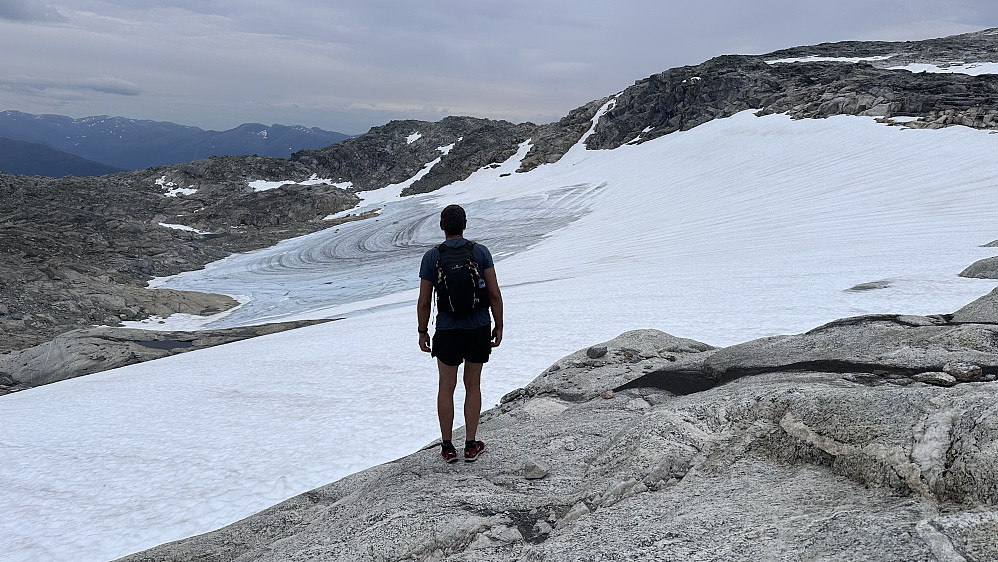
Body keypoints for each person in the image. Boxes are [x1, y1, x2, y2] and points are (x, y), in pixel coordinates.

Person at [417, 204, 503, 463]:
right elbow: (494, 293)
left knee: (446, 386)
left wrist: (423, 331)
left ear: (442, 226)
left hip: (447, 329)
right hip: (478, 326)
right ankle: (471, 444)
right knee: (472, 385)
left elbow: (424, 301)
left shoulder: (432, 257)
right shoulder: (480, 251)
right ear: (464, 225)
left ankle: (447, 446)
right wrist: (498, 325)